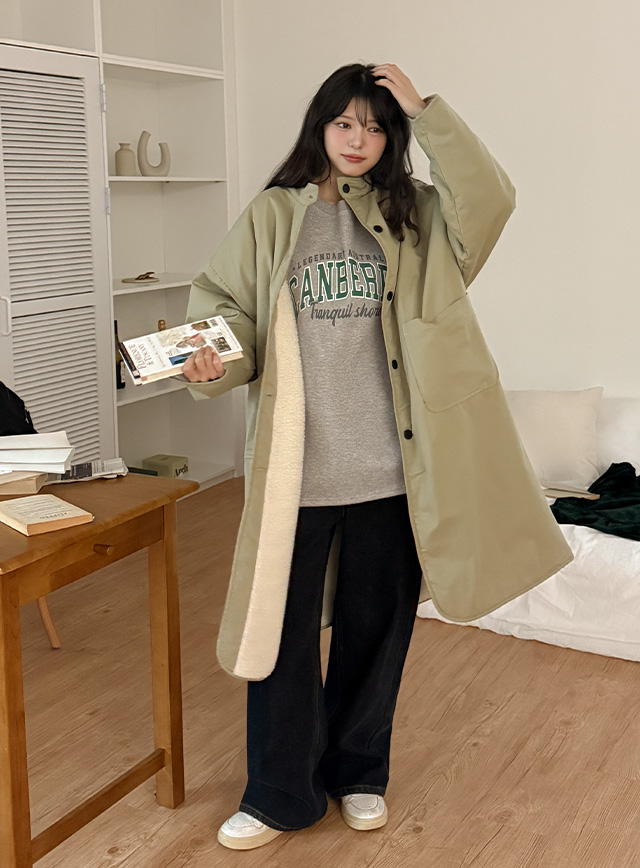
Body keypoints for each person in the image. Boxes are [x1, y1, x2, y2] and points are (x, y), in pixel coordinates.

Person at [182, 63, 573, 850]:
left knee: (377, 632)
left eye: (375, 125)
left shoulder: (419, 216)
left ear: (393, 136)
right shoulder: (273, 216)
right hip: (298, 476)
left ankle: (359, 773)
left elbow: (492, 198)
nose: (358, 139)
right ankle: (279, 795)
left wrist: (426, 109)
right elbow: (226, 312)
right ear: (320, 129)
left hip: (393, 475)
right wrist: (211, 362)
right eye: (345, 123)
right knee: (279, 640)